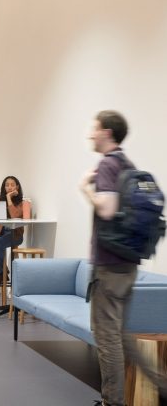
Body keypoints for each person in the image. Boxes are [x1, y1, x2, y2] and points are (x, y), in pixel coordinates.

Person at [79, 110, 167, 406]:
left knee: (107, 339)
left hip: (109, 266)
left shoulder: (106, 165)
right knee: (123, 336)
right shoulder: (127, 165)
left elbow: (105, 209)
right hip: (128, 264)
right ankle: (159, 383)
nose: (90, 134)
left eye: (94, 129)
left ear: (106, 132)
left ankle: (112, 401)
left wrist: (84, 188)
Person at [0, 176, 32, 286]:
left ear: (17, 187)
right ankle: (2, 273)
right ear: (4, 187)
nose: (9, 187)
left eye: (12, 185)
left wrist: (9, 198)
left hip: (15, 234)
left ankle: (1, 275)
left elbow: (14, 216)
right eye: (7, 185)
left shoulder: (22, 203)